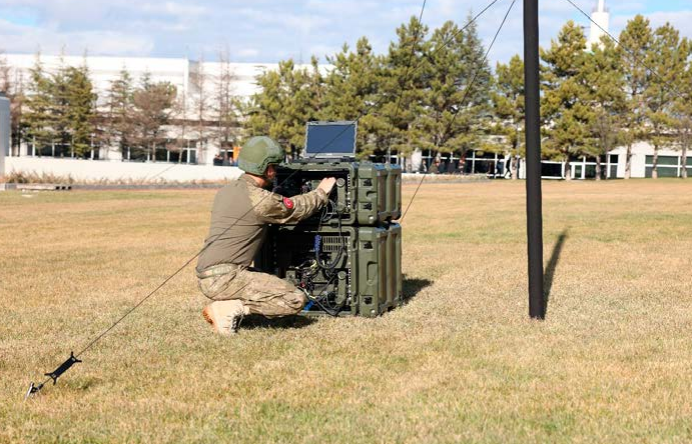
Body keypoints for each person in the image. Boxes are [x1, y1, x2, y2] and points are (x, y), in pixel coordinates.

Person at [196, 136, 336, 336]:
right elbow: (296, 209)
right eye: (275, 167)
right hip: (226, 278)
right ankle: (229, 309)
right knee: (293, 299)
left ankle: (228, 304)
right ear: (268, 169)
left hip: (209, 273)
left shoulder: (227, 191)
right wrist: (321, 192)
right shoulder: (259, 200)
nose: (276, 172)